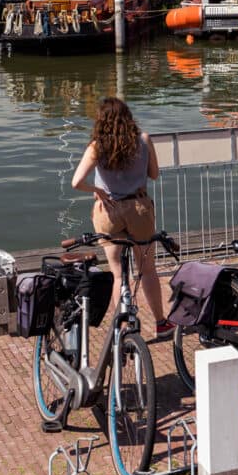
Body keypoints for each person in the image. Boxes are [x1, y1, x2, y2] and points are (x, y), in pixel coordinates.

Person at [70, 96, 170, 334]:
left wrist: (98, 190)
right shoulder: (143, 140)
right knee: (147, 268)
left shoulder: (97, 147)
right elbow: (154, 174)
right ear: (128, 117)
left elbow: (76, 182)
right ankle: (160, 322)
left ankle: (121, 328)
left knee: (117, 273)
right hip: (138, 209)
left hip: (109, 211)